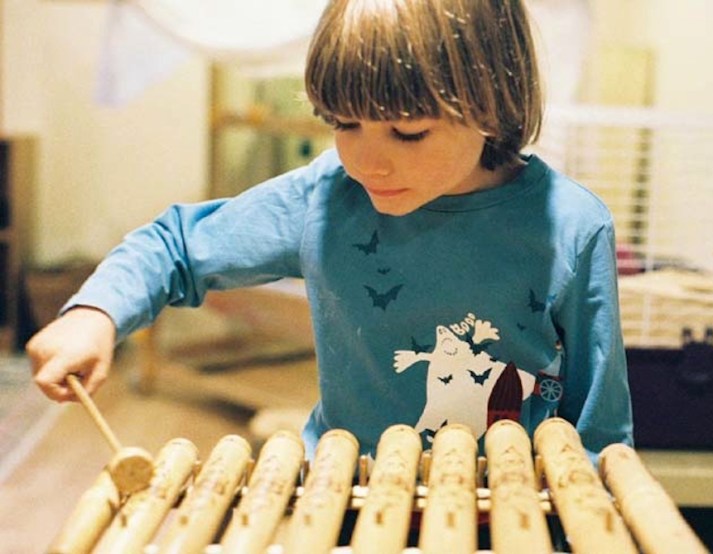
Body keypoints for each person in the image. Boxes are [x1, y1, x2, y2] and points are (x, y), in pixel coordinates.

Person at [26, 0, 632, 464]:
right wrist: (96, 312)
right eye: (344, 124)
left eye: (408, 133)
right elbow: (176, 246)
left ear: (494, 103)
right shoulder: (326, 198)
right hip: (350, 492)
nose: (368, 163)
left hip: (507, 507)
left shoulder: (571, 227)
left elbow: (598, 433)